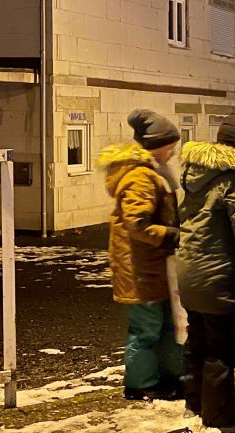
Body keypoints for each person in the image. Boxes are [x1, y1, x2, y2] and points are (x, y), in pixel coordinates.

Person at [176, 111, 235, 433]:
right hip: (218, 275)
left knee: (198, 338)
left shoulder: (196, 174)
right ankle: (219, 416)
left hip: (190, 271)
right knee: (223, 344)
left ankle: (196, 399)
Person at [99, 109, 184, 401]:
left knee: (164, 327)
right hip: (139, 269)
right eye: (170, 147)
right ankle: (141, 385)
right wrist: (171, 235)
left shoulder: (152, 173)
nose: (173, 153)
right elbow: (138, 224)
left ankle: (166, 378)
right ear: (157, 146)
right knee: (146, 329)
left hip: (151, 267)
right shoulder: (140, 177)